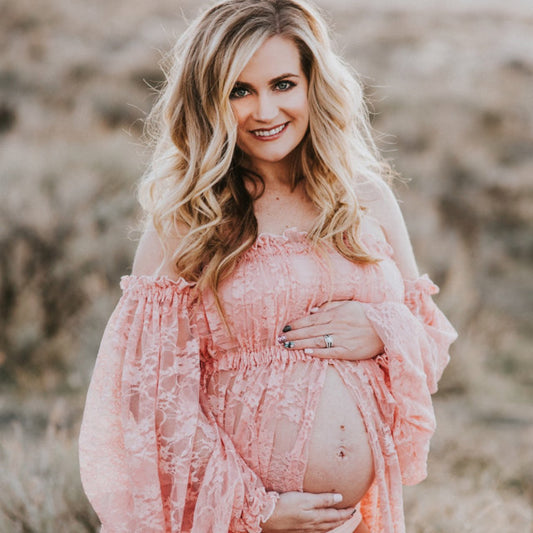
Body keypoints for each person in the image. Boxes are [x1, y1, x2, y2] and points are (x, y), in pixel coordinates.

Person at [78, 0, 458, 531]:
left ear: (312, 85)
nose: (264, 111)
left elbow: (430, 342)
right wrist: (254, 508)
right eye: (240, 90)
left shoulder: (365, 198)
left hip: (352, 521)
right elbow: (153, 393)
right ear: (209, 99)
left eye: (283, 84)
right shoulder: (187, 219)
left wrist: (383, 328)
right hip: (241, 518)